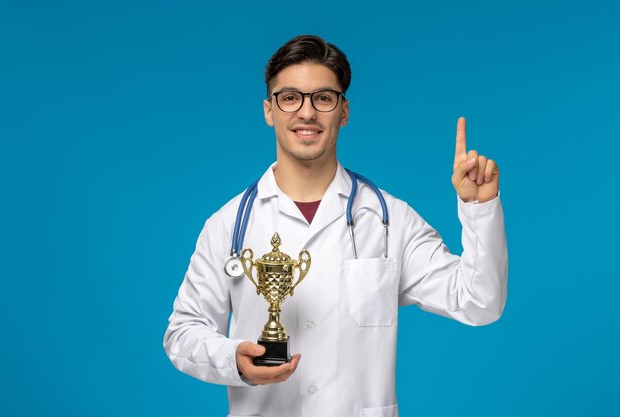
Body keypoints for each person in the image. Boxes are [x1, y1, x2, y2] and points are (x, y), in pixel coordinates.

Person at [163, 35, 507, 417]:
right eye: (290, 97)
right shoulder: (228, 225)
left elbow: (480, 303)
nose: (306, 113)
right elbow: (182, 333)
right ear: (268, 110)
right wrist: (232, 359)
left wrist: (479, 208)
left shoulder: (390, 219)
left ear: (343, 111)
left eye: (323, 98)